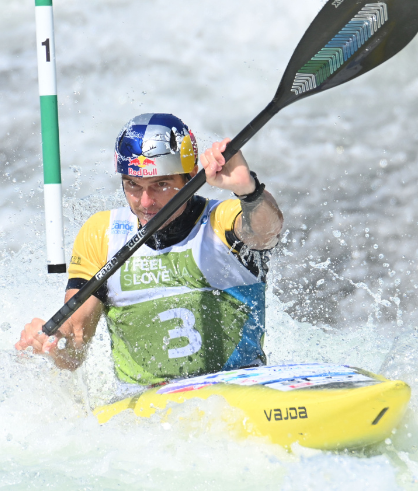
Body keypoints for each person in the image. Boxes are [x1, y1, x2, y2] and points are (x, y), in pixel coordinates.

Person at [15, 113, 284, 391]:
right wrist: (52, 344)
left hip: (238, 392)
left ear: (191, 177)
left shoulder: (222, 219)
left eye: (161, 184)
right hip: (147, 413)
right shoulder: (102, 233)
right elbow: (74, 348)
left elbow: (266, 231)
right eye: (133, 185)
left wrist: (249, 191)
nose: (145, 202)